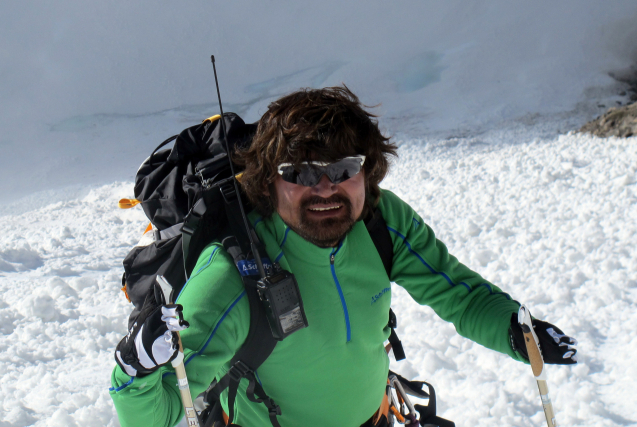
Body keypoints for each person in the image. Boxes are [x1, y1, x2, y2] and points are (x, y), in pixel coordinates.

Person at [109, 86, 577, 427]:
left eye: (343, 168)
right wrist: (133, 371)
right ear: (268, 183)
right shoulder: (234, 273)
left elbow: (459, 294)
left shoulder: (380, 222)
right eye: (300, 172)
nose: (325, 188)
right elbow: (169, 406)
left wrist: (517, 334)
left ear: (366, 173)